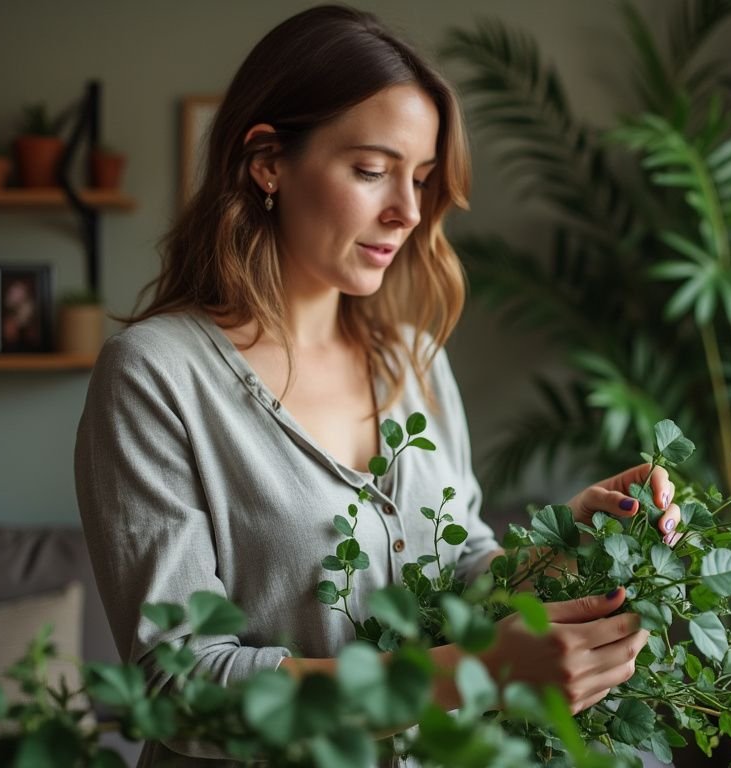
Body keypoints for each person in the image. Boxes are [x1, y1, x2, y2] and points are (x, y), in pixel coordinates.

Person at [73, 6, 683, 766]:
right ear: (267, 161)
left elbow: (458, 575)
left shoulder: (414, 360)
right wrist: (470, 676)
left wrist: (568, 539)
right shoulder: (155, 376)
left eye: (422, 179)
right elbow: (180, 687)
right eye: (371, 171)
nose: (406, 211)